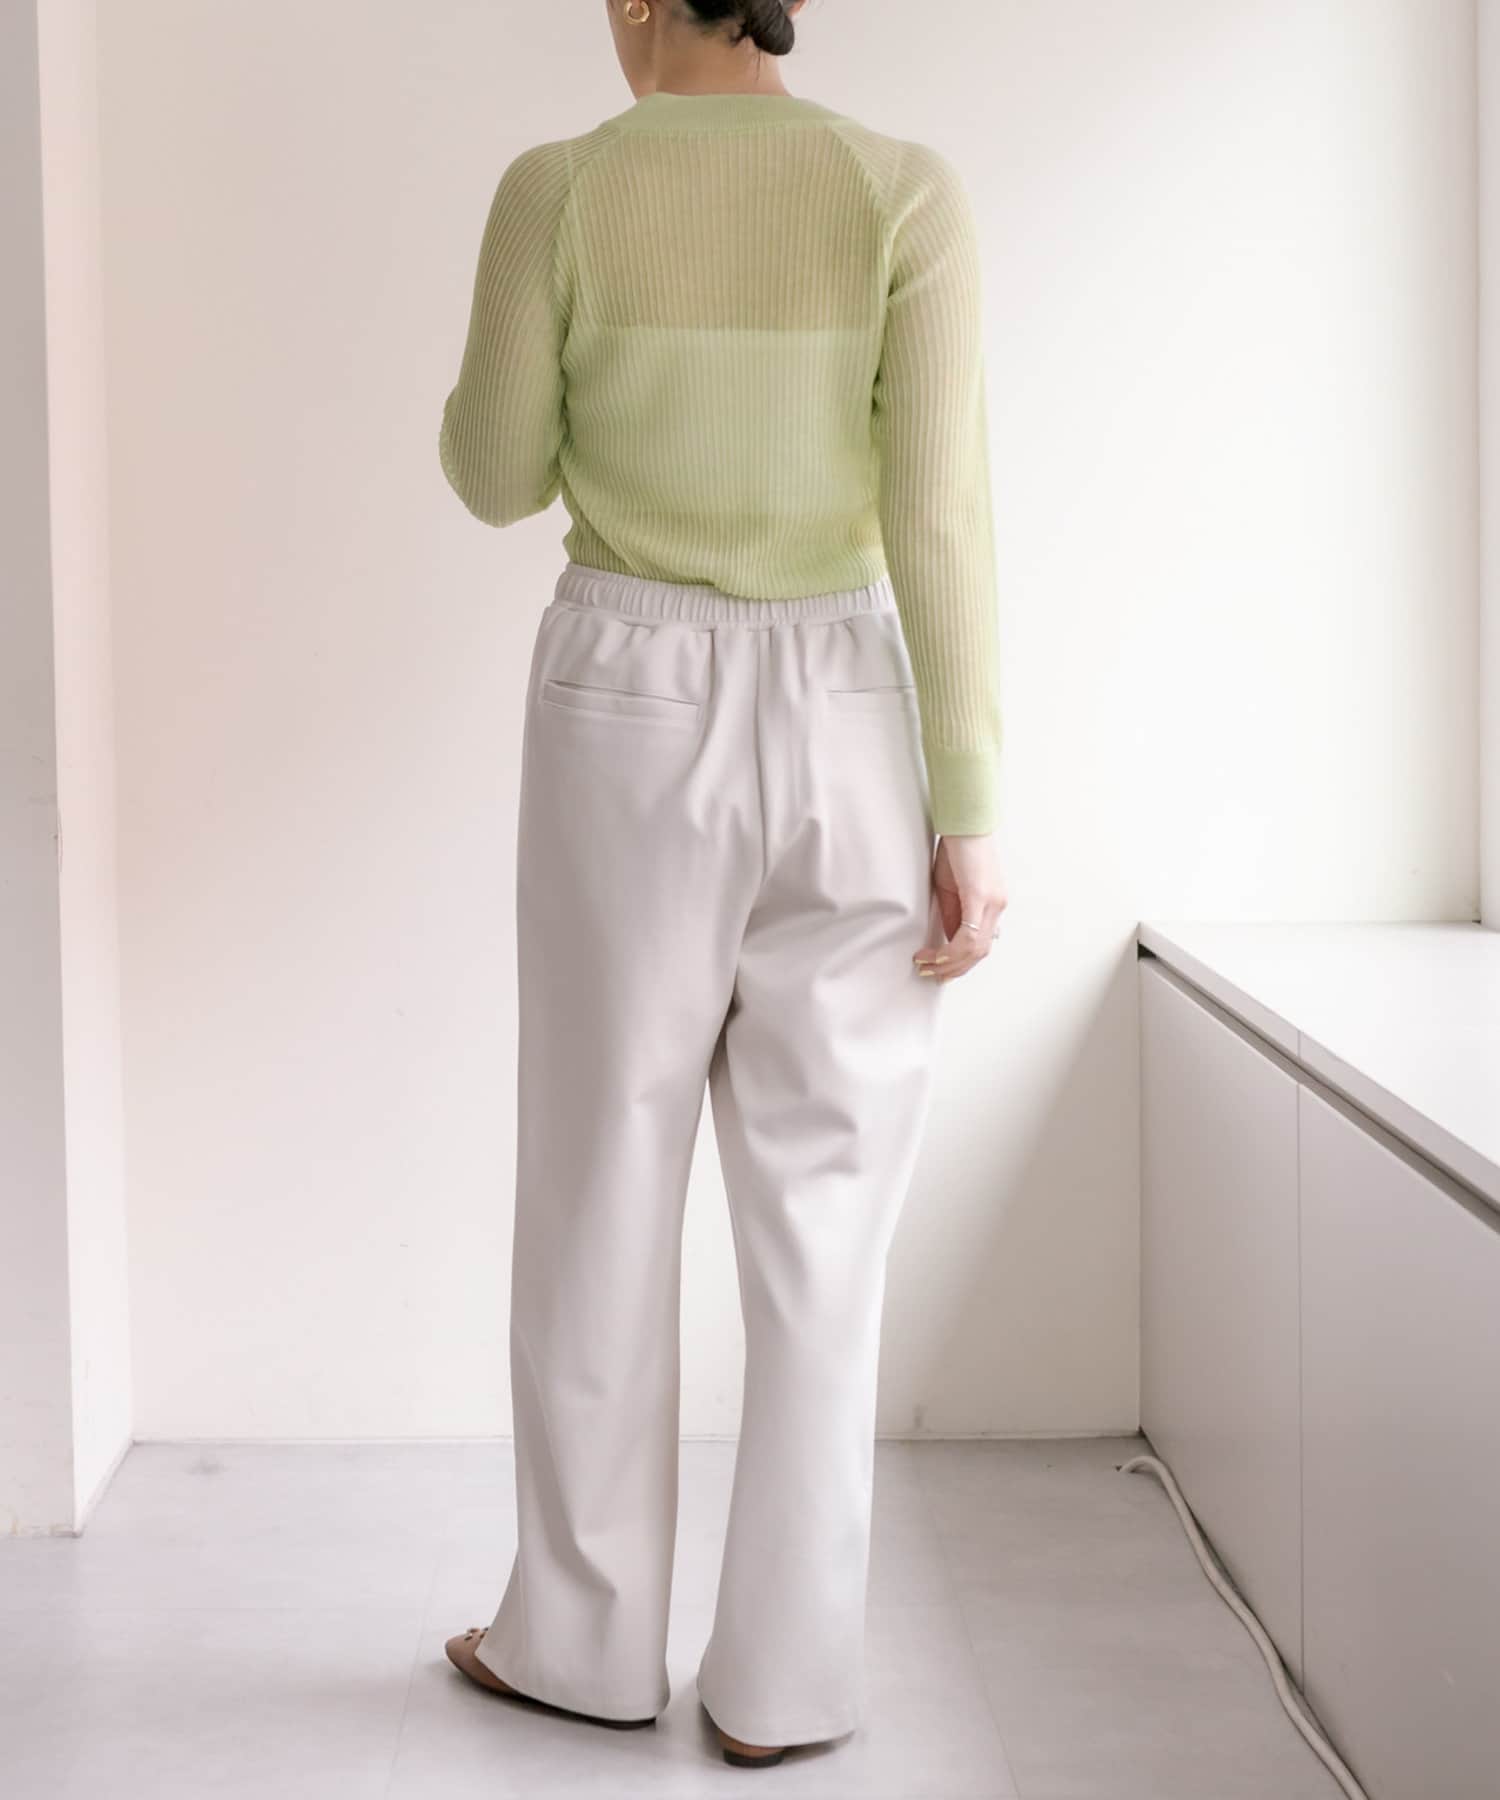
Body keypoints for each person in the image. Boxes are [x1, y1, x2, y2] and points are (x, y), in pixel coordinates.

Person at [437, 0, 1007, 1771]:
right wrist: (972, 807)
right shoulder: (902, 190)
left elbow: (491, 474)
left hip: (628, 701)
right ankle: (786, 1685)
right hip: (851, 713)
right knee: (829, 1216)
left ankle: (579, 1645)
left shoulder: (560, 189)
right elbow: (939, 516)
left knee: (601, 1175)